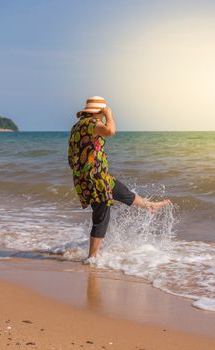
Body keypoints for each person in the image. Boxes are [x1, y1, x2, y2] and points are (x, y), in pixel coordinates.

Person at [68, 96, 170, 262]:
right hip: (95, 177)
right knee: (102, 214)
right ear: (99, 111)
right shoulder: (92, 123)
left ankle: (150, 206)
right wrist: (108, 115)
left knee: (123, 192)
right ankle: (92, 257)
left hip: (91, 175)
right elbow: (110, 131)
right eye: (102, 111)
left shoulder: (77, 125)